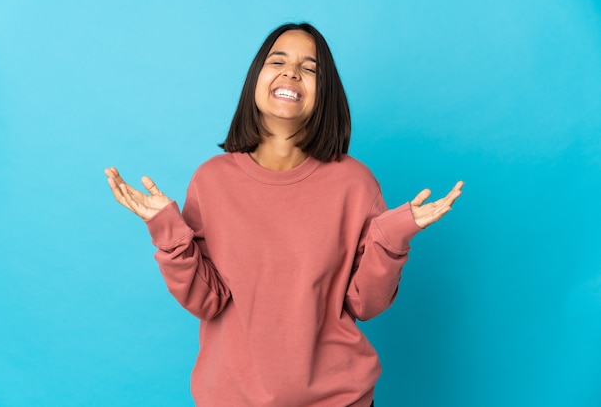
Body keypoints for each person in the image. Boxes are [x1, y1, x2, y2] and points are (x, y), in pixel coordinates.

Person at [105, 22, 463, 407]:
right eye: (278, 61)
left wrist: (393, 239)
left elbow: (365, 304)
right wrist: (168, 232)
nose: (292, 72)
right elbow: (207, 301)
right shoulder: (211, 181)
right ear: (255, 79)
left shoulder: (355, 183)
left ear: (325, 95)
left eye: (310, 69)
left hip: (338, 399)